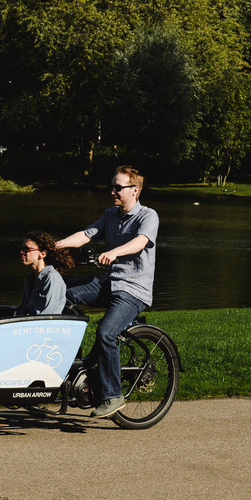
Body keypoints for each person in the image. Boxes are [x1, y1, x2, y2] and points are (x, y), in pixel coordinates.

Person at [56, 165, 159, 418]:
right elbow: (86, 235)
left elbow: (140, 242)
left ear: (134, 190)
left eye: (118, 187)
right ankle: (74, 361)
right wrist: (55, 245)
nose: (112, 191)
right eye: (111, 186)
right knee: (62, 294)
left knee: (106, 333)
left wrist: (114, 251)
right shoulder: (110, 214)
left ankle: (113, 396)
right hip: (108, 283)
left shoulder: (148, 216)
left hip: (133, 289)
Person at [14, 230, 74, 317]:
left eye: (27, 249)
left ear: (42, 254)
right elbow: (25, 307)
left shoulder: (51, 278)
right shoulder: (30, 276)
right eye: (22, 249)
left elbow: (46, 315)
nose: (22, 252)